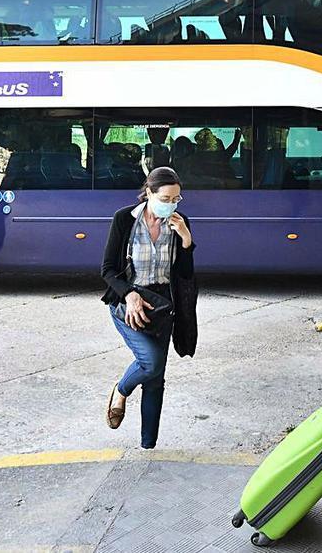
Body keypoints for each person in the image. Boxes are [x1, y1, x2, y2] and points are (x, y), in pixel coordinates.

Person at [101, 167, 197, 449]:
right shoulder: (124, 220)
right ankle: (121, 390)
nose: (171, 204)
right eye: (166, 198)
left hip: (162, 307)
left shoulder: (180, 222)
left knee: (156, 380)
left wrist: (186, 240)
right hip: (128, 303)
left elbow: (185, 274)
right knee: (151, 363)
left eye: (177, 199)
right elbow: (107, 270)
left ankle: (148, 446)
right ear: (149, 193)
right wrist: (128, 294)